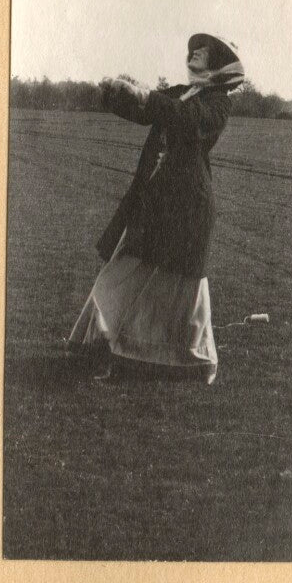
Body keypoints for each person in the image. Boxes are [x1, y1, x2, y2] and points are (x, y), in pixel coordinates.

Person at [66, 34, 244, 384]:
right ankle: (108, 347)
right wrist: (115, 94)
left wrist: (146, 95)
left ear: (219, 63)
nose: (195, 52)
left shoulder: (217, 103)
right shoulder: (182, 92)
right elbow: (145, 111)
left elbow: (185, 119)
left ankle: (188, 361)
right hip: (155, 204)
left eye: (204, 50)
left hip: (187, 209)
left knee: (181, 290)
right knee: (119, 273)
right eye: (194, 49)